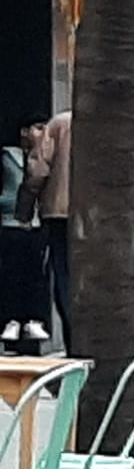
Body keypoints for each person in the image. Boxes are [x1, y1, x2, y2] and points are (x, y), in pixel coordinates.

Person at [22, 111, 72, 346]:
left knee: (63, 275)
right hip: (105, 217)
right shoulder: (112, 123)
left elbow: (38, 170)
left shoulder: (59, 124)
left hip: (60, 212)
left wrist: (25, 207)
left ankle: (72, 336)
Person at [0, 115, 49, 348]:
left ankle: (33, 319)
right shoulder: (7, 157)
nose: (43, 132)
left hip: (38, 224)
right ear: (24, 131)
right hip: (10, 222)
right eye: (38, 128)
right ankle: (10, 319)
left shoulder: (47, 155)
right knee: (11, 274)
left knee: (36, 274)